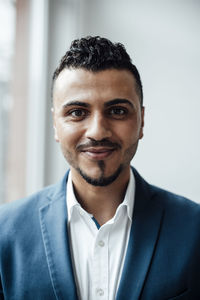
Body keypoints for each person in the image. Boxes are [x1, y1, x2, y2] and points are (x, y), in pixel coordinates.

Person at [0, 36, 200, 300]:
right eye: (77, 112)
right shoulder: (4, 231)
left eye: (117, 111)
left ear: (141, 121)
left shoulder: (194, 229)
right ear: (55, 124)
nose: (97, 132)